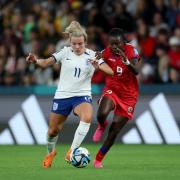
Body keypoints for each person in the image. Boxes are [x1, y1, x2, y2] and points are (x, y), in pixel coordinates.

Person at [26, 21, 114, 168]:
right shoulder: (65, 52)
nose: (77, 47)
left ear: (85, 42)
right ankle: (50, 153)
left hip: (82, 95)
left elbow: (110, 71)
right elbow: (47, 62)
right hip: (62, 96)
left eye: (80, 43)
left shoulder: (93, 55)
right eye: (74, 43)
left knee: (87, 117)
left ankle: (72, 151)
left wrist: (98, 66)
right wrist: (36, 60)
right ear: (70, 42)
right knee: (53, 131)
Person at [92, 28, 141, 168]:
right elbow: (97, 55)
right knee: (101, 114)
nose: (114, 47)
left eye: (117, 44)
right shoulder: (107, 51)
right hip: (112, 89)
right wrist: (94, 59)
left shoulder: (131, 51)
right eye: (111, 44)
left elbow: (137, 71)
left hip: (128, 96)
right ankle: (101, 125)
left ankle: (98, 159)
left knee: (114, 131)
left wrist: (126, 61)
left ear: (123, 42)